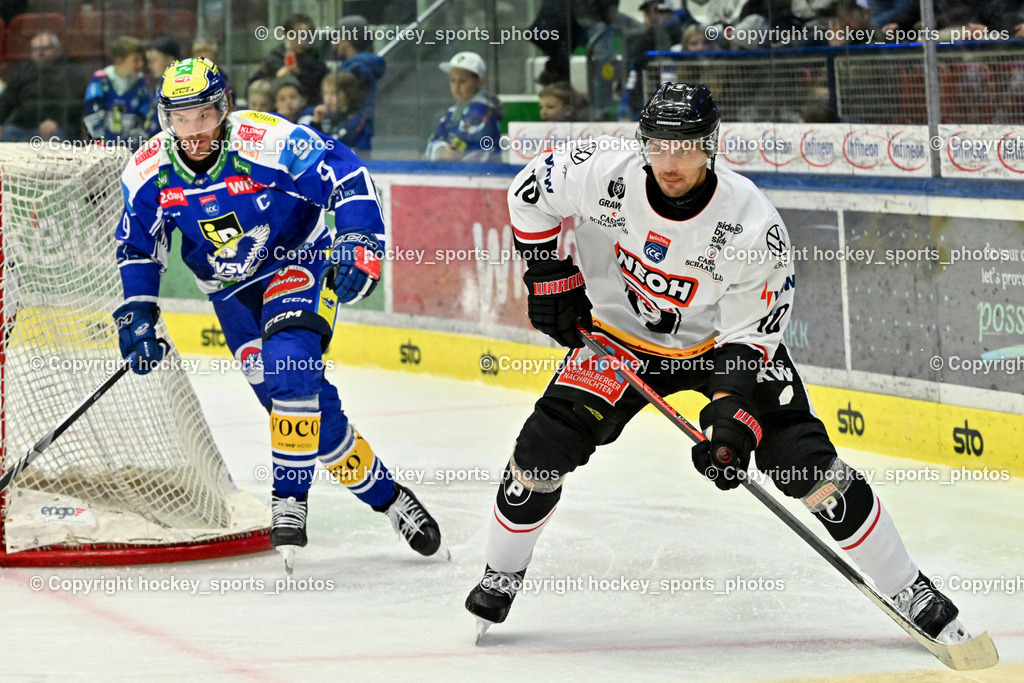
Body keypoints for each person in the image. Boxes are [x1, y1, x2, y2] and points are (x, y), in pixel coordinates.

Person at [464, 83, 968, 646]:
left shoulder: (753, 226)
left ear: (711, 146)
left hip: (718, 349)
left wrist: (730, 425)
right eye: (657, 146)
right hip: (617, 340)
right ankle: (501, 571)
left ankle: (906, 585)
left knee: (807, 467)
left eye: (684, 148)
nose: (669, 162)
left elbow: (748, 340)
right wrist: (549, 275)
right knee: (540, 452)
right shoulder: (603, 172)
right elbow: (530, 193)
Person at [112, 57, 446, 572]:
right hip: (230, 295)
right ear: (164, 119)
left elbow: (346, 171)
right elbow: (139, 245)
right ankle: (389, 498)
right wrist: (137, 309)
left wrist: (358, 239)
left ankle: (289, 498)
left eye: (203, 115)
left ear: (222, 109)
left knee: (291, 371)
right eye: (180, 119)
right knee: (309, 417)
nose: (193, 131)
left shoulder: (264, 140)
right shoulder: (148, 171)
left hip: (300, 262)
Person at [0, 31, 87, 142]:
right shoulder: (24, 69)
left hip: (59, 126)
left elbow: (75, 100)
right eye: (36, 49)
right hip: (22, 126)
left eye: (46, 48)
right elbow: (8, 97)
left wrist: (55, 121)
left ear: (57, 50)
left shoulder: (70, 68)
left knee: (55, 138)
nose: (40, 53)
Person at [424, 52, 503, 162]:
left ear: (479, 82)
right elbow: (432, 143)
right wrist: (441, 151)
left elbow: (464, 153)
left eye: (463, 81)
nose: (456, 87)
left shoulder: (483, 111)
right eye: (453, 80)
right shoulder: (453, 111)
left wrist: (446, 152)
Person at [83, 36, 152, 147]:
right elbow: (92, 116)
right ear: (119, 61)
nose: (140, 64)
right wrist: (104, 142)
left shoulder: (141, 83)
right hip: (102, 147)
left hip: (132, 147)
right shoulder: (100, 80)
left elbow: (147, 116)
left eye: (141, 60)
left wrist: (132, 143)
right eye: (135, 60)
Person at [331, 15, 385, 152]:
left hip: (354, 133)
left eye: (337, 37)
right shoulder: (357, 66)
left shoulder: (357, 69)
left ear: (347, 40)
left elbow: (354, 104)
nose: (333, 43)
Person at [248, 13, 327, 106]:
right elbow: (254, 88)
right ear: (286, 35)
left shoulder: (316, 60)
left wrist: (299, 74)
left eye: (308, 36)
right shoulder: (274, 59)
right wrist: (276, 79)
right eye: (298, 35)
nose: (303, 40)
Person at [312, 71, 370, 151]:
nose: (328, 98)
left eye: (333, 93)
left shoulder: (357, 120)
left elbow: (338, 143)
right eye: (325, 93)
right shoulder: (325, 117)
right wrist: (316, 123)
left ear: (348, 94)